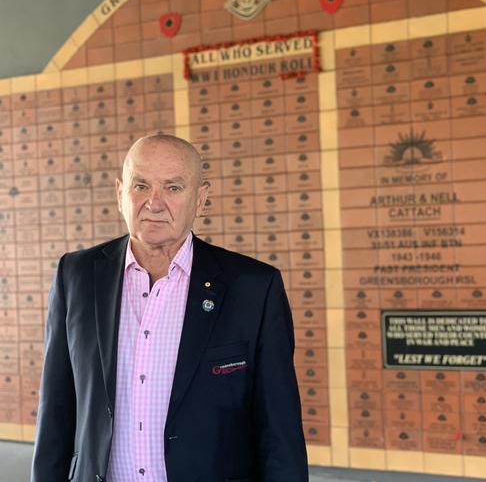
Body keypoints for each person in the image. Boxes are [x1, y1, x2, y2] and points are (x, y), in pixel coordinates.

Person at [31, 134, 308, 482]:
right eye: (141, 185)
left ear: (201, 199)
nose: (154, 203)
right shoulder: (76, 276)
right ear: (120, 194)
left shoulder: (254, 288)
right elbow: (55, 411)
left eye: (173, 188)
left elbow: (280, 431)